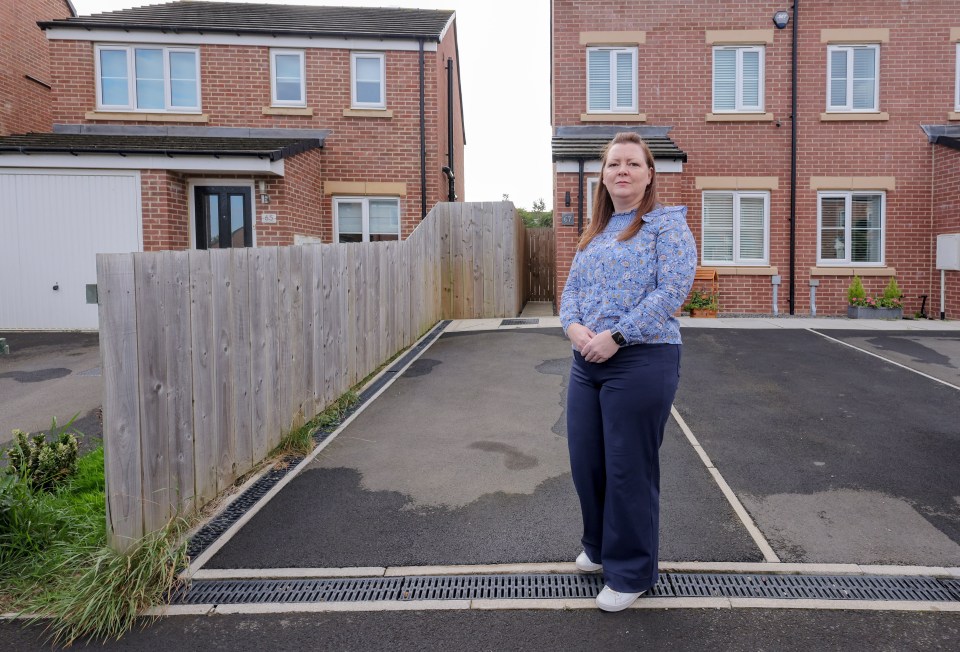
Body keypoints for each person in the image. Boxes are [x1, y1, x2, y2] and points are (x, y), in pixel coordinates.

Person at [559, 131, 697, 612]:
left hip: (640, 359)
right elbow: (571, 290)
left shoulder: (665, 225)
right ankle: (598, 549)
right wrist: (575, 329)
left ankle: (631, 573)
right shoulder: (594, 231)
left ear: (649, 173)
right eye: (614, 163)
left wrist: (615, 337)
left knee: (627, 470)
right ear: (603, 174)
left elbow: (672, 289)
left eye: (633, 164)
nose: (622, 170)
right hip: (586, 361)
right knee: (588, 463)